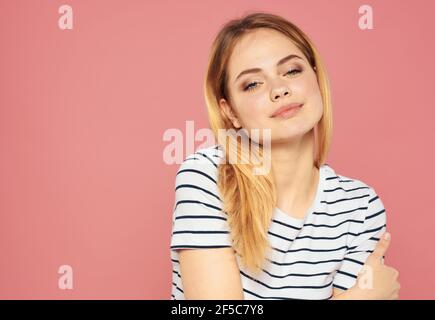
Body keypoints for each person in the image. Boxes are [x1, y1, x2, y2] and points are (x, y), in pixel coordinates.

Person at [169, 11, 400, 300]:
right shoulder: (206, 177)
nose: (279, 90)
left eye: (291, 70)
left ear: (316, 77)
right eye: (253, 84)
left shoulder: (359, 207)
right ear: (231, 112)